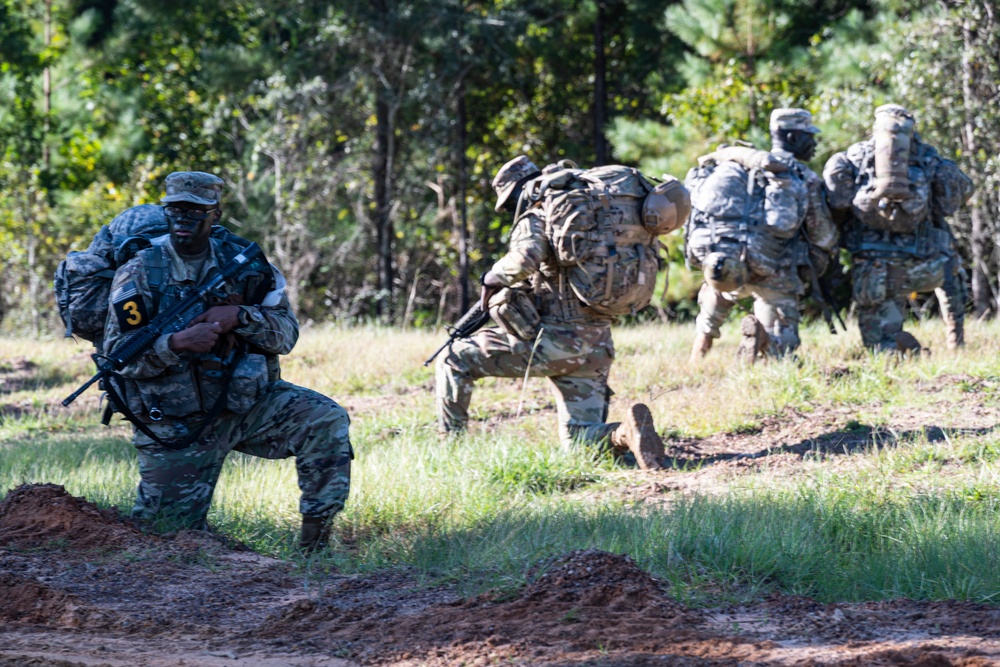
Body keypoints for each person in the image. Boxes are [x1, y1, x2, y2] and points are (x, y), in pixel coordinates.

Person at [102, 171, 352, 552]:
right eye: (175, 211)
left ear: (214, 215)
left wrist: (241, 317)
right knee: (165, 540)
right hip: (175, 424)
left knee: (325, 419)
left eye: (194, 212)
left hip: (243, 405)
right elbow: (118, 358)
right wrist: (177, 342)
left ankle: (315, 550)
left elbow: (286, 334)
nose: (183, 220)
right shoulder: (141, 271)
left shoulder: (245, 263)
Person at [434, 156, 665, 470]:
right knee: (579, 444)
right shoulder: (588, 214)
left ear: (518, 193)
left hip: (553, 343)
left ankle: (450, 451)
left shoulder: (540, 213)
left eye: (509, 203)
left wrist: (490, 278)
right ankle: (626, 434)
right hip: (596, 345)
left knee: (454, 357)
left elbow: (524, 257)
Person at [689, 108, 838, 362]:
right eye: (808, 136)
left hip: (724, 264)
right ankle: (766, 339)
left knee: (713, 302)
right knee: (784, 342)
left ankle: (697, 358)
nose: (814, 143)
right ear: (791, 137)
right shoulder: (801, 177)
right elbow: (822, 235)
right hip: (773, 269)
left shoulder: (741, 166)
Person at [823, 104, 973, 351]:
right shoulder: (928, 158)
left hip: (873, 273)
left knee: (878, 338)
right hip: (924, 268)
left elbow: (834, 202)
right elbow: (956, 198)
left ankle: (888, 345)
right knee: (952, 267)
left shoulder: (852, 158)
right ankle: (955, 339)